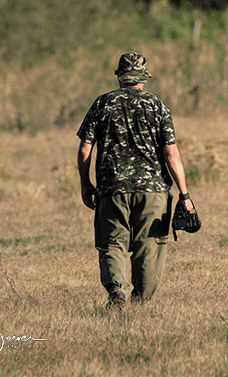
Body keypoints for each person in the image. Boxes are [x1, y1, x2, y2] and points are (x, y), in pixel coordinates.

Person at [77, 52, 195, 307]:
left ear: (120, 77)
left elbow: (85, 149)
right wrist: (185, 195)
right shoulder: (157, 105)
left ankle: (117, 292)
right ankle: (141, 301)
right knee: (149, 246)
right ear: (143, 78)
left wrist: (86, 185)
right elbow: (171, 153)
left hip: (111, 188)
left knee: (112, 244)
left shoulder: (102, 103)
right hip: (153, 190)